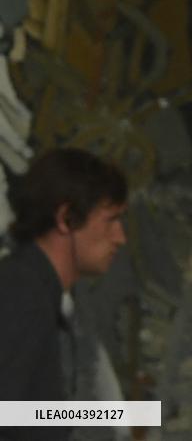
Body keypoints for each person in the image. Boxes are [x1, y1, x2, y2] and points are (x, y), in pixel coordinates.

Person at [0, 148, 128, 439]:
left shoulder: (39, 294)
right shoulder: (22, 293)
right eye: (111, 220)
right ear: (66, 218)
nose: (121, 237)